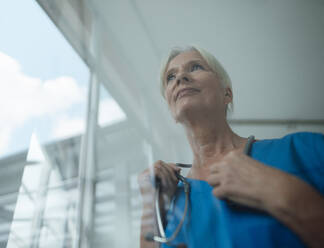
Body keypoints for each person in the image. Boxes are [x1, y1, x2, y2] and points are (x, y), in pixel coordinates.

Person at [138, 46, 324, 248]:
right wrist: (152, 204)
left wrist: (279, 189)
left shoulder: (306, 150)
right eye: (170, 77)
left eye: (196, 67)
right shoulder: (171, 199)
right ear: (171, 109)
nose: (180, 77)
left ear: (227, 94)